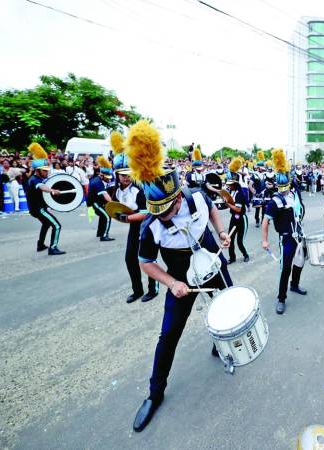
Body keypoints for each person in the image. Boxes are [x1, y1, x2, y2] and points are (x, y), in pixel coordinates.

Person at [126, 121, 233, 432]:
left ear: (178, 197)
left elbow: (213, 210)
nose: (161, 216)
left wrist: (222, 232)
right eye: (155, 211)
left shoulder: (196, 195)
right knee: (169, 335)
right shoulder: (151, 225)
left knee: (225, 308)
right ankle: (154, 394)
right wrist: (172, 283)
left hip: (212, 260)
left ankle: (221, 344)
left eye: (167, 209)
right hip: (180, 276)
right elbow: (145, 261)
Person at [111, 131, 158, 304]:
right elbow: (118, 207)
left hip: (147, 226)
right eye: (122, 173)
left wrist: (128, 219)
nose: (125, 176)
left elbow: (147, 213)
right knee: (130, 259)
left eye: (128, 173)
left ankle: (153, 289)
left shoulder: (141, 187)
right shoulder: (116, 189)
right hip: (133, 226)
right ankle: (137, 290)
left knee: (146, 259)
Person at [261, 148, 307, 315]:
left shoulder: (294, 193)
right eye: (280, 187)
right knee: (285, 268)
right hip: (286, 239)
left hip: (300, 236)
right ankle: (281, 298)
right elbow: (265, 221)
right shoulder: (275, 201)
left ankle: (294, 285)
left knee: (300, 262)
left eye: (286, 186)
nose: (283, 189)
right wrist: (264, 240)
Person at [25, 143, 65, 255]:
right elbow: (42, 187)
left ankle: (40, 244)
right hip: (38, 209)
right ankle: (53, 248)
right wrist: (52, 190)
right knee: (57, 226)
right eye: (44, 170)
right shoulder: (34, 180)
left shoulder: (37, 178)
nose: (46, 172)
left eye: (47, 170)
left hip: (37, 208)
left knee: (46, 224)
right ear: (37, 170)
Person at [224, 159, 250, 264]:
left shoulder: (239, 193)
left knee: (239, 241)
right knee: (230, 239)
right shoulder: (231, 192)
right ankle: (232, 258)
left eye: (230, 184)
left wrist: (228, 204)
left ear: (234, 183)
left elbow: (238, 209)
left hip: (241, 219)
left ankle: (246, 255)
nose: (228, 185)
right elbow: (231, 206)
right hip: (233, 218)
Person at [87, 156, 114, 241]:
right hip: (95, 203)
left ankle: (100, 233)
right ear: (101, 175)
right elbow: (105, 195)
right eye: (107, 178)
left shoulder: (98, 179)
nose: (109, 180)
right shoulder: (97, 182)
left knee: (103, 216)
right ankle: (104, 236)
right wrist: (115, 205)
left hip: (96, 202)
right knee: (107, 217)